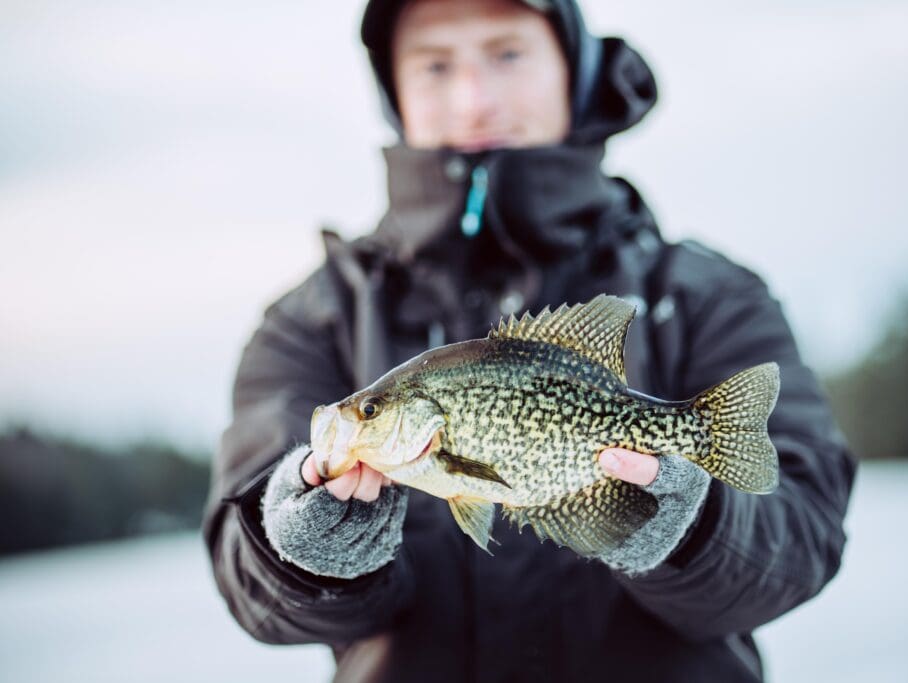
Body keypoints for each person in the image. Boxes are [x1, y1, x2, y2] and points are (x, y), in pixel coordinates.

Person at [202, 0, 856, 680]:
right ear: (394, 89)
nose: (474, 99)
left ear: (573, 68)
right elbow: (246, 582)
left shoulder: (705, 298)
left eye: (507, 54)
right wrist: (303, 550)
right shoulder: (310, 322)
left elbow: (804, 537)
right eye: (434, 64)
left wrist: (687, 524)